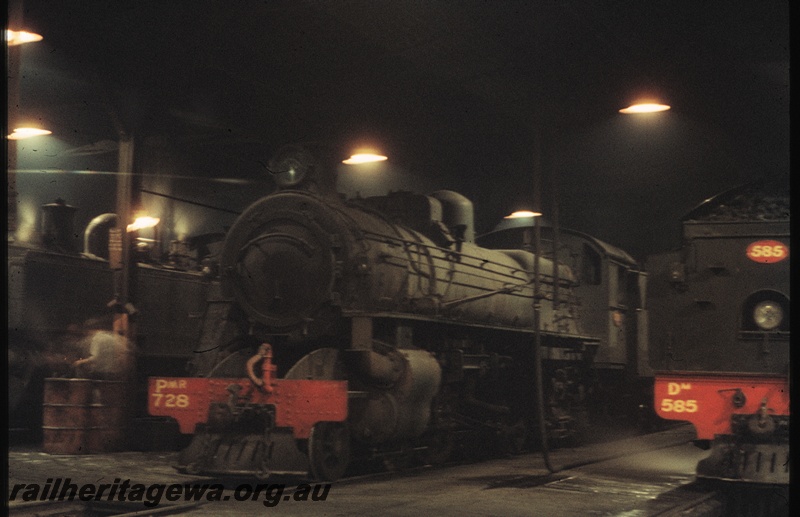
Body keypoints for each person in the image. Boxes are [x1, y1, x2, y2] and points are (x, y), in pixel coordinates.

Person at [72, 317, 134, 381]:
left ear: (89, 329)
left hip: (103, 373)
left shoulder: (97, 338)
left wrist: (80, 362)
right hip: (116, 372)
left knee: (81, 376)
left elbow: (95, 358)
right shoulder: (112, 336)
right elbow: (127, 350)